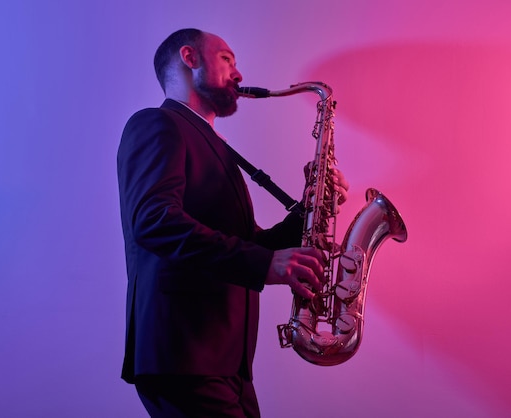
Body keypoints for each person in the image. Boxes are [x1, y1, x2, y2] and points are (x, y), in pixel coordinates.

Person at [117, 28, 349, 417]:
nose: (239, 73)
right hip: (183, 354)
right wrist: (264, 265)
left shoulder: (213, 145)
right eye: (227, 59)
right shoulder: (157, 124)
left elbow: (244, 241)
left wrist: (312, 208)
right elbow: (155, 221)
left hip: (223, 361)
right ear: (190, 58)